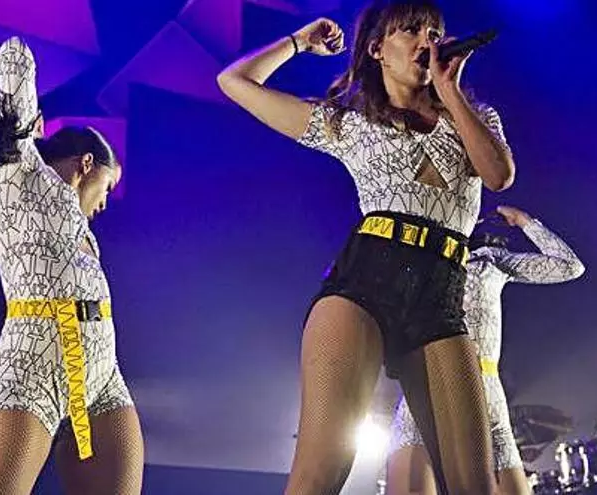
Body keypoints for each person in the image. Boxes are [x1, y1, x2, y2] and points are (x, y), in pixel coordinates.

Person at [217, 1, 515, 492]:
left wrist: (450, 92)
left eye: (434, 32)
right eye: (411, 31)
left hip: (441, 295)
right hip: (365, 282)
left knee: (475, 485)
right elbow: (234, 82)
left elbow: (499, 175)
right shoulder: (348, 122)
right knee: (320, 474)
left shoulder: (474, 116)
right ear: (377, 49)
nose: (427, 41)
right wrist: (298, 42)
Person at [0, 37, 143, 495]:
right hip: (28, 372)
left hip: (103, 377)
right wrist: (24, 122)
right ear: (87, 163)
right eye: (108, 186)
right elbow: (14, 56)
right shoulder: (18, 174)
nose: (106, 201)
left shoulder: (83, 232)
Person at [387, 205, 585, 495]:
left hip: (485, 389)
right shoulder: (420, 259)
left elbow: (569, 266)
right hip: (428, 389)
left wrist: (524, 222)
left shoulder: (490, 260)